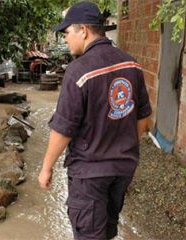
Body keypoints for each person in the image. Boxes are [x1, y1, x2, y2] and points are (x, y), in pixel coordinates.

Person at [38, 2, 152, 240]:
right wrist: (123, 148)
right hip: (123, 170)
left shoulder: (78, 71)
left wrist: (46, 168)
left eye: (67, 32)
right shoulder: (132, 64)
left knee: (89, 234)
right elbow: (143, 120)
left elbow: (63, 129)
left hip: (90, 175)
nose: (66, 39)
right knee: (107, 231)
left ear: (84, 30)